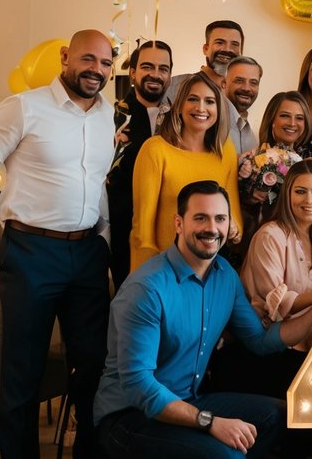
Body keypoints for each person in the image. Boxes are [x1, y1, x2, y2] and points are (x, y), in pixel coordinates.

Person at [95, 181, 312, 459]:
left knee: (278, 415)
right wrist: (210, 423)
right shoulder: (147, 287)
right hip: (127, 417)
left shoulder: (224, 276)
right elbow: (140, 386)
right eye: (200, 217)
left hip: (186, 400)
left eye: (220, 218)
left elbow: (260, 341)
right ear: (179, 223)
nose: (212, 228)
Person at [0, 30, 120, 459]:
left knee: (92, 363)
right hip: (31, 250)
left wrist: (103, 237)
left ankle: (89, 455)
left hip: (86, 252)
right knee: (23, 369)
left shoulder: (108, 113)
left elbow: (96, 182)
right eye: (88, 58)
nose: (97, 68)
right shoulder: (23, 107)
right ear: (66, 58)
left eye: (106, 62)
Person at [240, 159, 312, 397]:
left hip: (309, 354)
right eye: (300, 192)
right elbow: (278, 306)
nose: (309, 200)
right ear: (287, 195)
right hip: (270, 355)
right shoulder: (271, 235)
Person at [130, 74, 242, 272]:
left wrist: (233, 228)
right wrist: (147, 280)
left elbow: (234, 217)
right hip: (165, 271)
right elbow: (143, 230)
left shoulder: (226, 151)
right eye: (192, 99)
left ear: (219, 109)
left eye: (209, 101)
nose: (201, 108)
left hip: (211, 269)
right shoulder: (155, 150)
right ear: (180, 105)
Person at [106, 39, 173, 290]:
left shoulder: (178, 120)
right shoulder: (112, 117)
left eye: (163, 68)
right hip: (123, 234)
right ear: (133, 72)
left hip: (170, 231)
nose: (155, 74)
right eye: (147, 66)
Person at [223, 55, 263, 155]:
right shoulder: (210, 122)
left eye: (253, 83)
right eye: (239, 81)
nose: (246, 88)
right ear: (224, 83)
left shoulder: (250, 133)